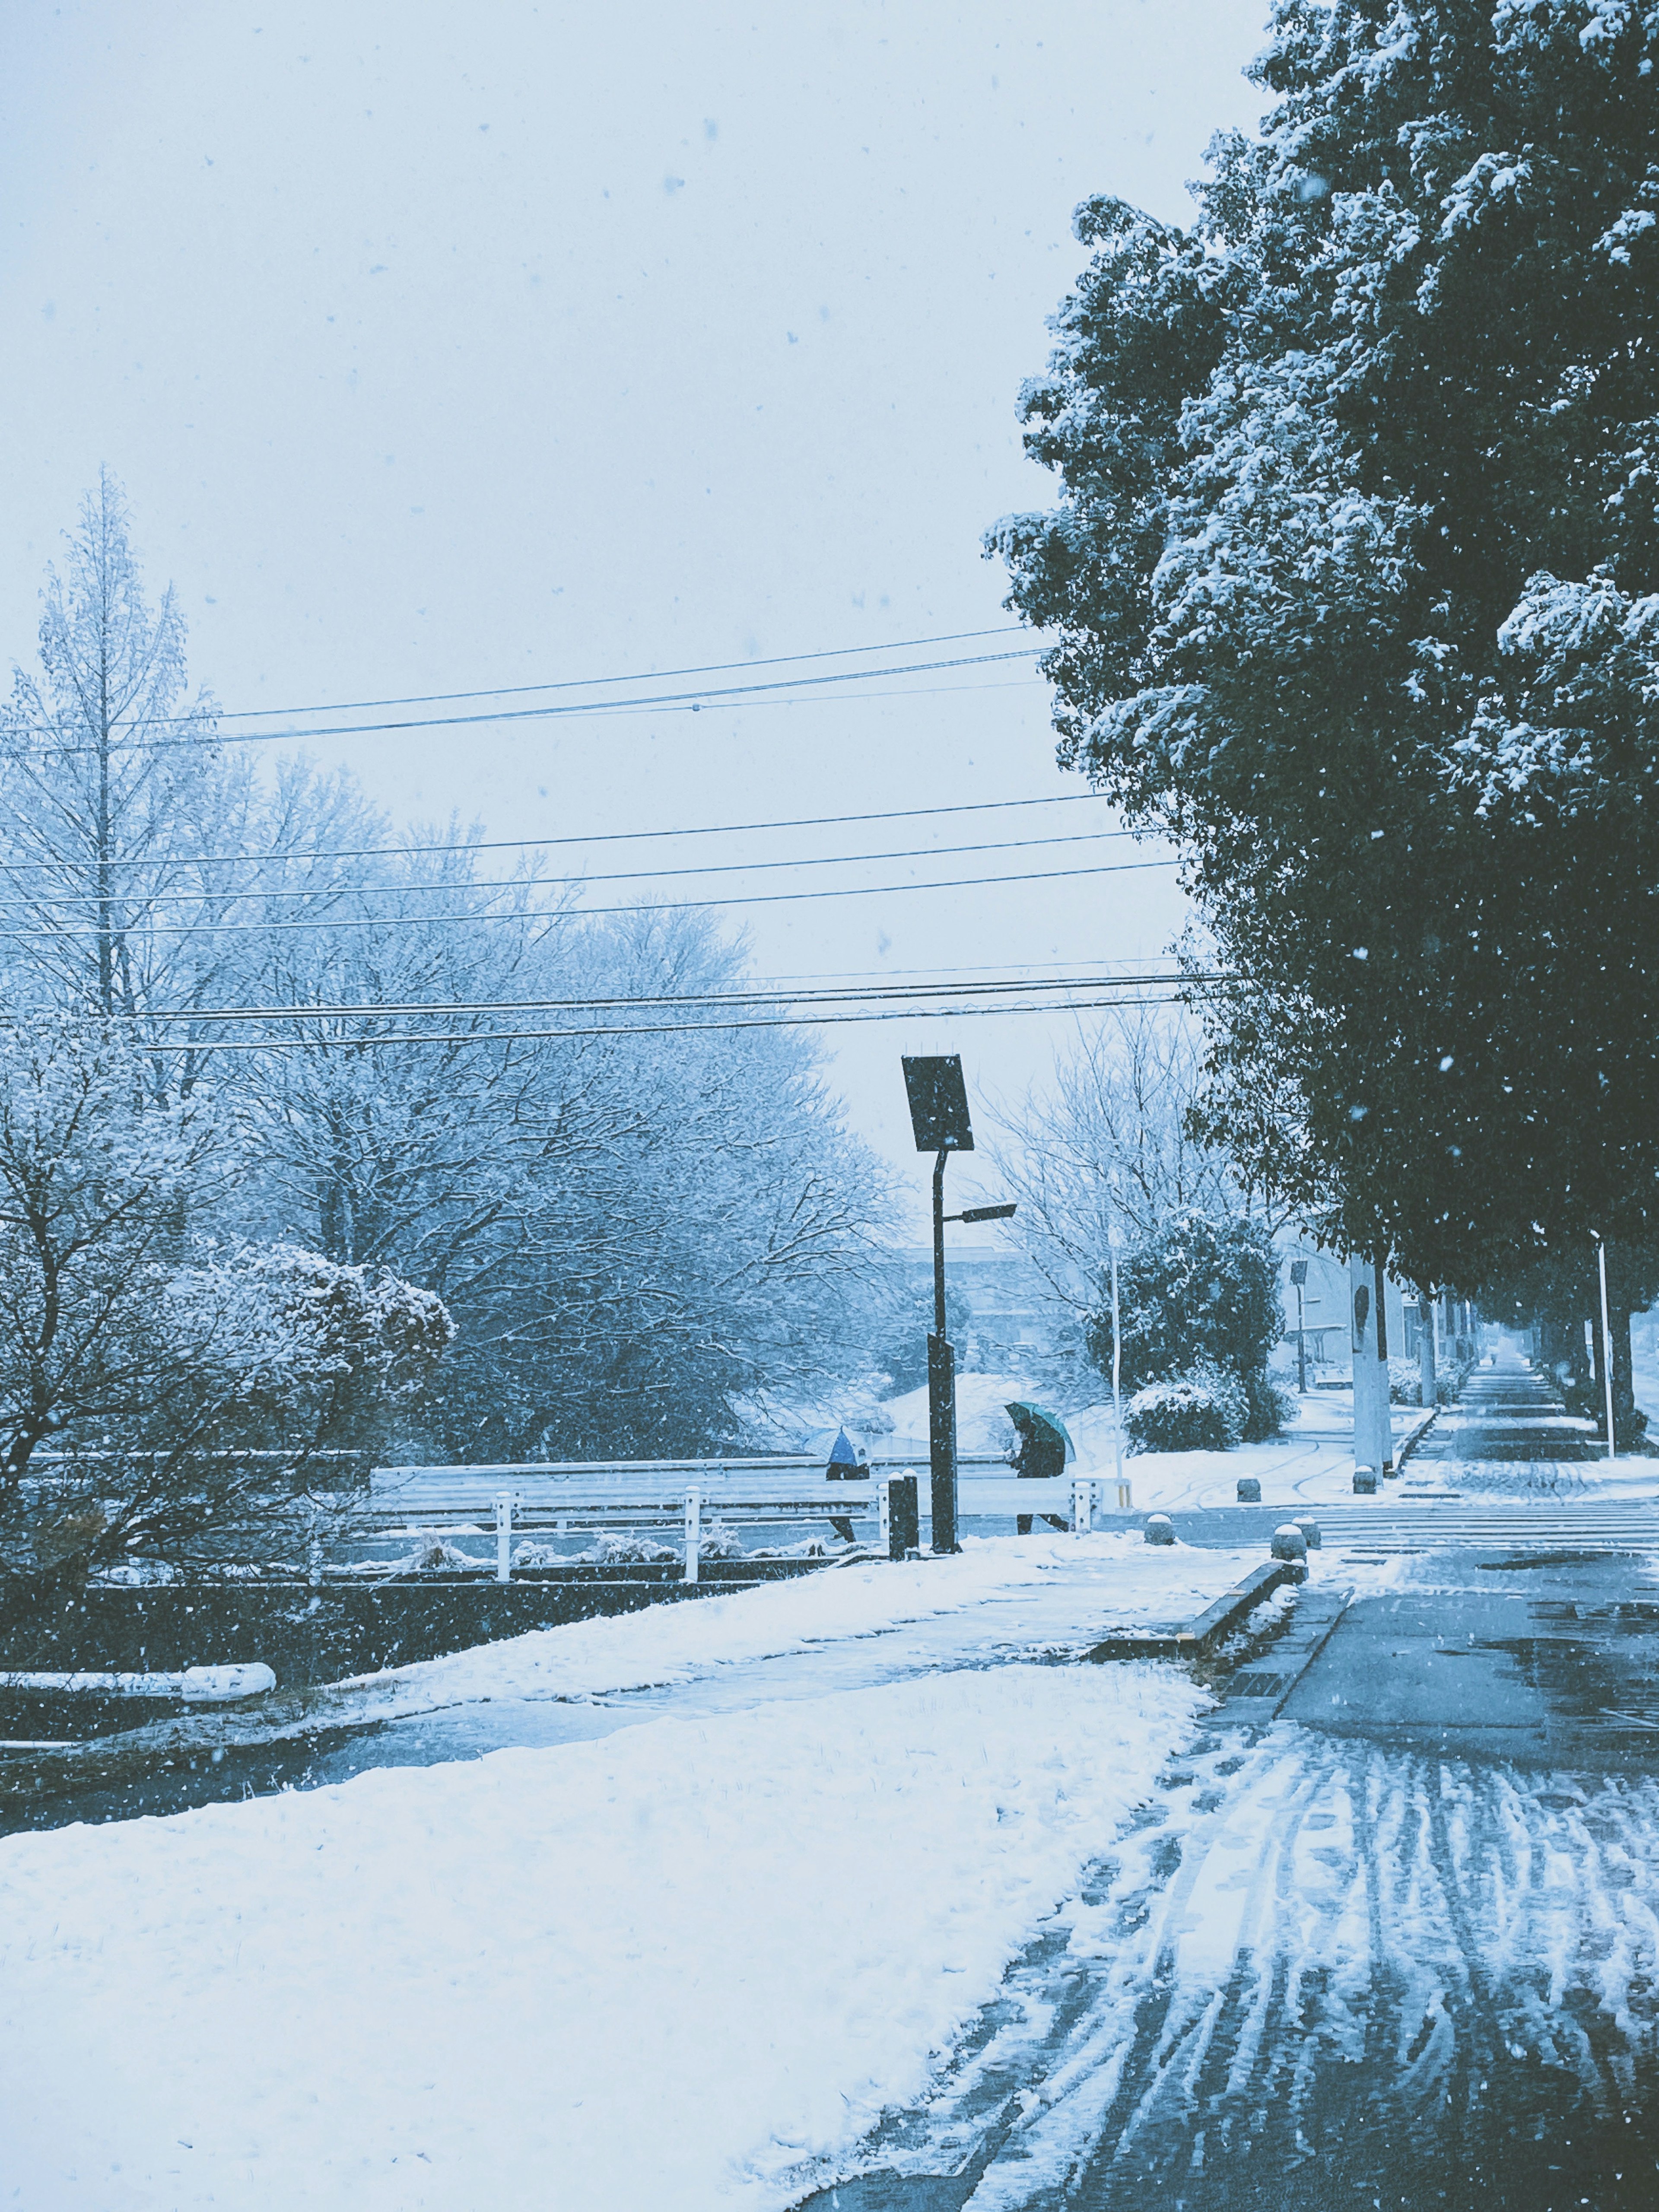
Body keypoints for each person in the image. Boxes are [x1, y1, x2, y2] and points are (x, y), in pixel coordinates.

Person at [1011, 1415, 1070, 1534]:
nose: (1019, 1435)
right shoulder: (1036, 1443)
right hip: (1037, 1482)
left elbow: (1026, 1464)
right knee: (1039, 1509)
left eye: (1020, 1432)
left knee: (1028, 1510)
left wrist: (1014, 1462)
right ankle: (1064, 1526)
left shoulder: (1031, 1445)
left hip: (1031, 1482)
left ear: (1026, 1432)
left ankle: (1024, 1535)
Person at [824, 1426, 865, 1543]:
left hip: (839, 1494)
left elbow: (831, 1480)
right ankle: (848, 1536)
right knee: (840, 1514)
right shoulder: (850, 1460)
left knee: (835, 1514)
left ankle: (849, 1537)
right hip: (847, 1493)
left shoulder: (835, 1462)